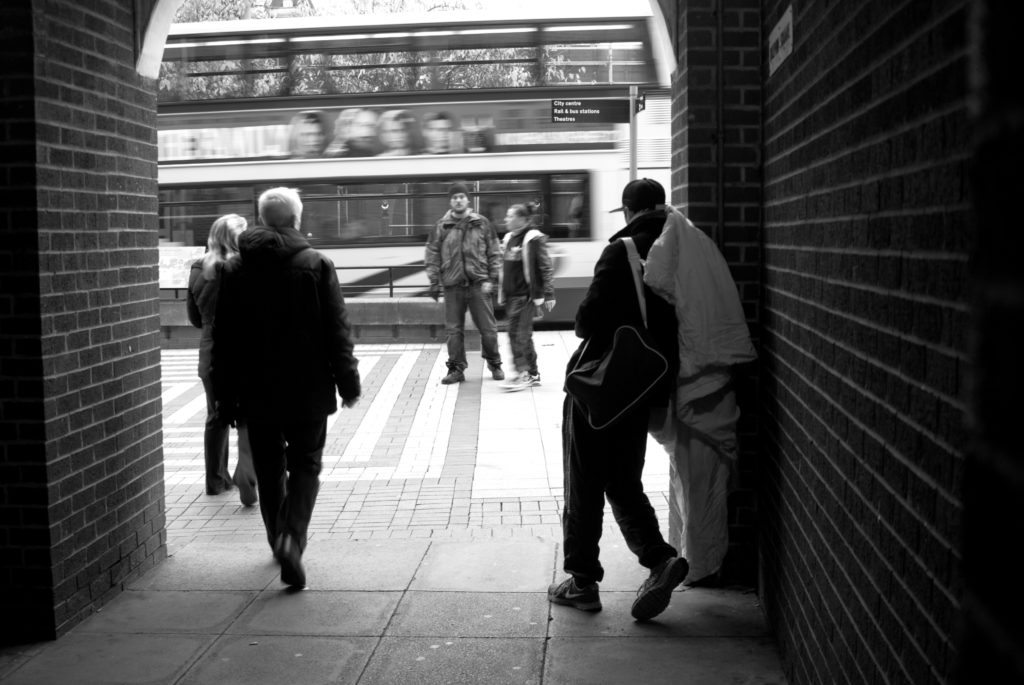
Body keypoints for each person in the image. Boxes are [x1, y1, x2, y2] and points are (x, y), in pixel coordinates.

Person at [549, 178, 686, 621]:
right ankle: (660, 560)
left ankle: (582, 581)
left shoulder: (623, 249)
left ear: (628, 210)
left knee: (584, 480)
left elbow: (588, 321)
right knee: (623, 478)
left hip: (603, 384)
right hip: (646, 384)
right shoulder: (683, 245)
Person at [212, 187, 361, 588]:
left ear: (261, 221)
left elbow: (223, 340)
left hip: (255, 390)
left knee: (269, 466)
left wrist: (224, 399)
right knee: (306, 464)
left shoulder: (234, 269)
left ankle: (276, 536)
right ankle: (292, 536)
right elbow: (337, 331)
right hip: (308, 389)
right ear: (297, 220)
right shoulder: (316, 264)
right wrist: (348, 382)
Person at [643, 205, 757, 587]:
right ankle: (697, 559)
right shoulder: (699, 247)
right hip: (711, 380)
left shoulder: (675, 246)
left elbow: (656, 277)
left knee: (697, 479)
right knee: (702, 478)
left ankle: (701, 564)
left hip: (699, 383)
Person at [186, 214, 257, 505]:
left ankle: (216, 480)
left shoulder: (198, 268)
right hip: (243, 351)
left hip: (209, 352)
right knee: (248, 415)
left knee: (216, 416)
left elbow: (193, 318)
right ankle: (247, 473)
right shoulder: (243, 268)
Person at [424, 182, 504, 384]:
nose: (458, 200)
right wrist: (434, 282)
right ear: (450, 201)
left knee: (488, 329)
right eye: (454, 197)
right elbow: (432, 254)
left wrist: (491, 279)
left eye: (461, 197)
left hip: (479, 284)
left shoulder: (482, 223)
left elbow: (494, 252)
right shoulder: (441, 226)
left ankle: (494, 362)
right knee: (453, 331)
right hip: (453, 286)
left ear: (468, 200)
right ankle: (456, 369)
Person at [498, 203, 555, 391]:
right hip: (511, 296)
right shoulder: (508, 239)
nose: (506, 219)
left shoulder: (533, 239)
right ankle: (531, 373)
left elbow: (545, 266)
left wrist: (548, 293)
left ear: (522, 219)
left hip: (525, 296)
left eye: (510, 216)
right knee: (519, 335)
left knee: (518, 335)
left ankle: (521, 374)